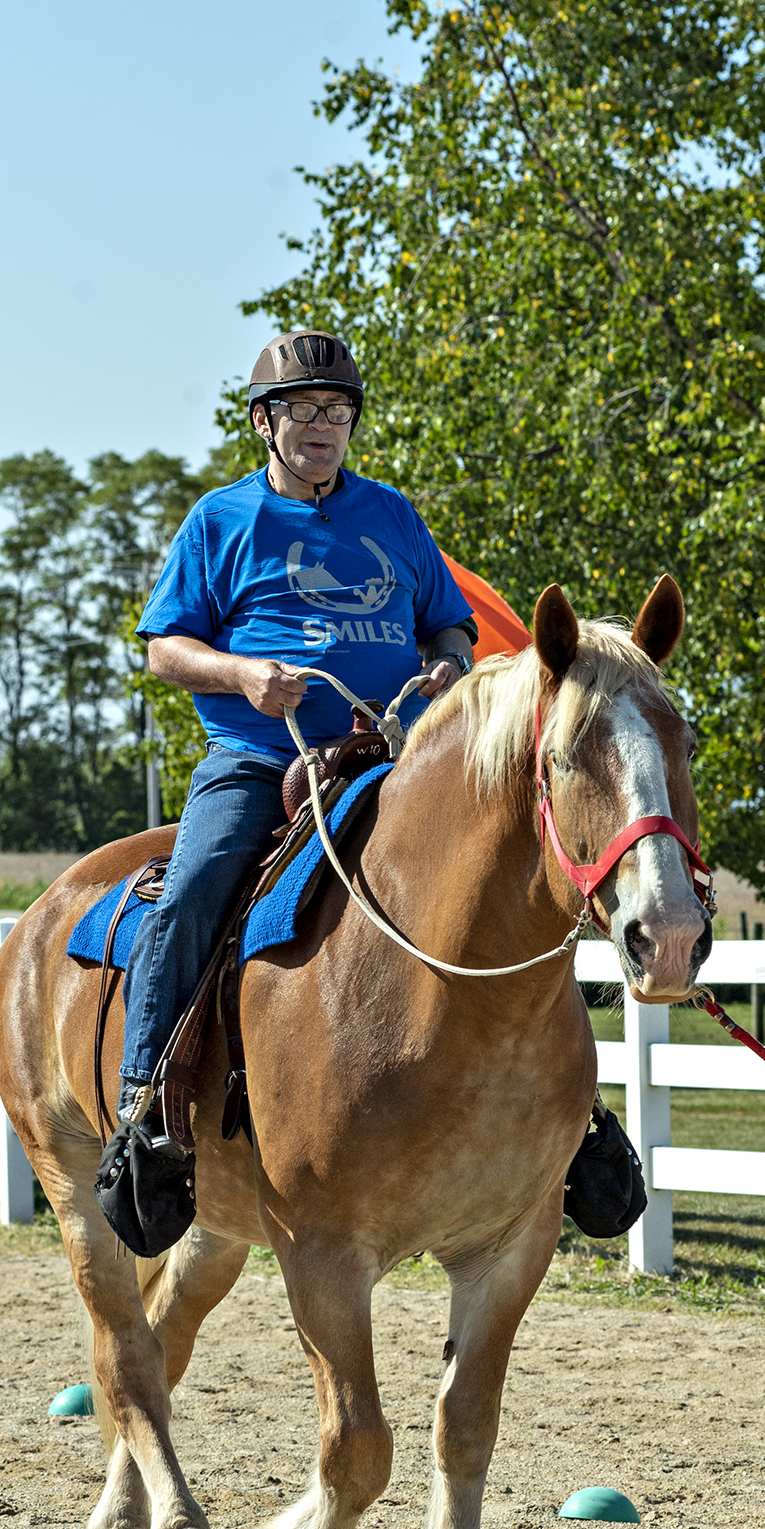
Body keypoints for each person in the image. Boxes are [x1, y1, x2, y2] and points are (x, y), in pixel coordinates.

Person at [112, 329, 477, 1144]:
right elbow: (164, 649)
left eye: (338, 408)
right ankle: (144, 1101)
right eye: (303, 407)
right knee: (195, 887)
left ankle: (568, 1113)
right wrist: (242, 674)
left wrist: (449, 667)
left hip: (394, 755)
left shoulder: (391, 513)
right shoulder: (219, 520)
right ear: (262, 423)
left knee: (502, 869)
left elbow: (449, 629)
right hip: (260, 759)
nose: (323, 422)